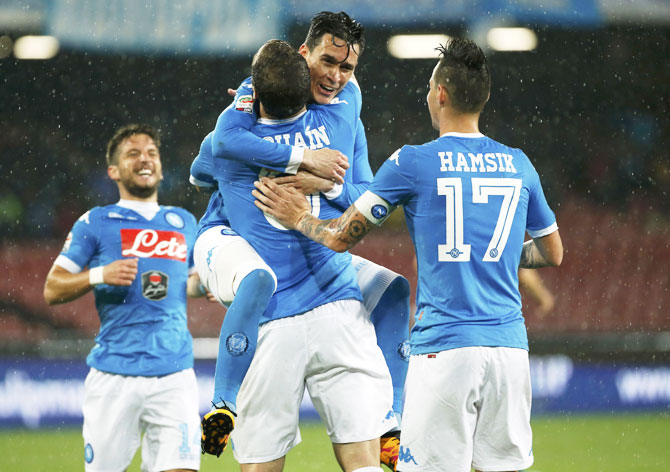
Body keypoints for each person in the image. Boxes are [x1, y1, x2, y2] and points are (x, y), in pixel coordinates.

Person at [253, 37, 564, 472]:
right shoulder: (519, 163)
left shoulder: (413, 162)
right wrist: (497, 254)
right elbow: (552, 252)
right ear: (485, 97)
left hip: (445, 350)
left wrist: (299, 217)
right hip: (510, 351)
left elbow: (341, 237)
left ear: (440, 94)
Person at [197, 11, 410, 471]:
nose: (335, 77)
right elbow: (207, 163)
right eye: (327, 62)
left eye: (346, 67)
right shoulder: (261, 94)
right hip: (287, 295)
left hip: (318, 295)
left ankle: (393, 413)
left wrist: (328, 184)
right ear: (303, 53)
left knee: (393, 287)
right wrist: (302, 160)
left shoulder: (339, 104)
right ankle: (389, 414)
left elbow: (365, 193)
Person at [43, 124, 207, 472]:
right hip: (115, 375)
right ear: (113, 171)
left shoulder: (184, 222)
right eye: (133, 154)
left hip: (174, 373)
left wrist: (208, 284)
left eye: (151, 153)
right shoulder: (96, 222)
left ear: (160, 167)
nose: (144, 159)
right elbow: (52, 288)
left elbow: (190, 284)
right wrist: (101, 274)